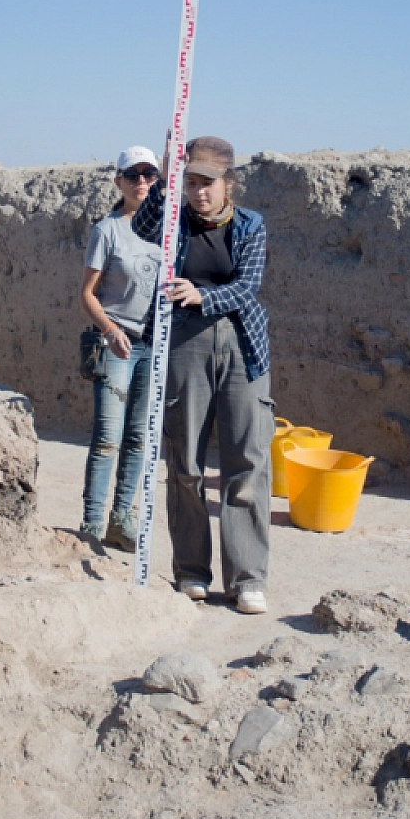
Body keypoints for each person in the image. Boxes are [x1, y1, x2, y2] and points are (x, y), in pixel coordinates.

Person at [132, 135, 274, 614]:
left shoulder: (251, 226)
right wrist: (165, 179)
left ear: (229, 183)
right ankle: (191, 571)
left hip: (241, 346)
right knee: (186, 464)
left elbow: (248, 286)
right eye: (191, 182)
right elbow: (145, 224)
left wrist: (202, 296)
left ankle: (247, 579)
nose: (199, 192)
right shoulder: (173, 222)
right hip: (183, 345)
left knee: (246, 463)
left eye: (208, 183)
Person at [77, 146, 164, 551]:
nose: (142, 182)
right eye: (134, 176)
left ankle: (121, 520)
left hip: (153, 344)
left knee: (139, 438)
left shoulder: (168, 228)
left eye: (150, 175)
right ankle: (92, 525)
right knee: (108, 435)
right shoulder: (107, 230)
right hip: (116, 343)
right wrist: (110, 329)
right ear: (119, 182)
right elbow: (88, 295)